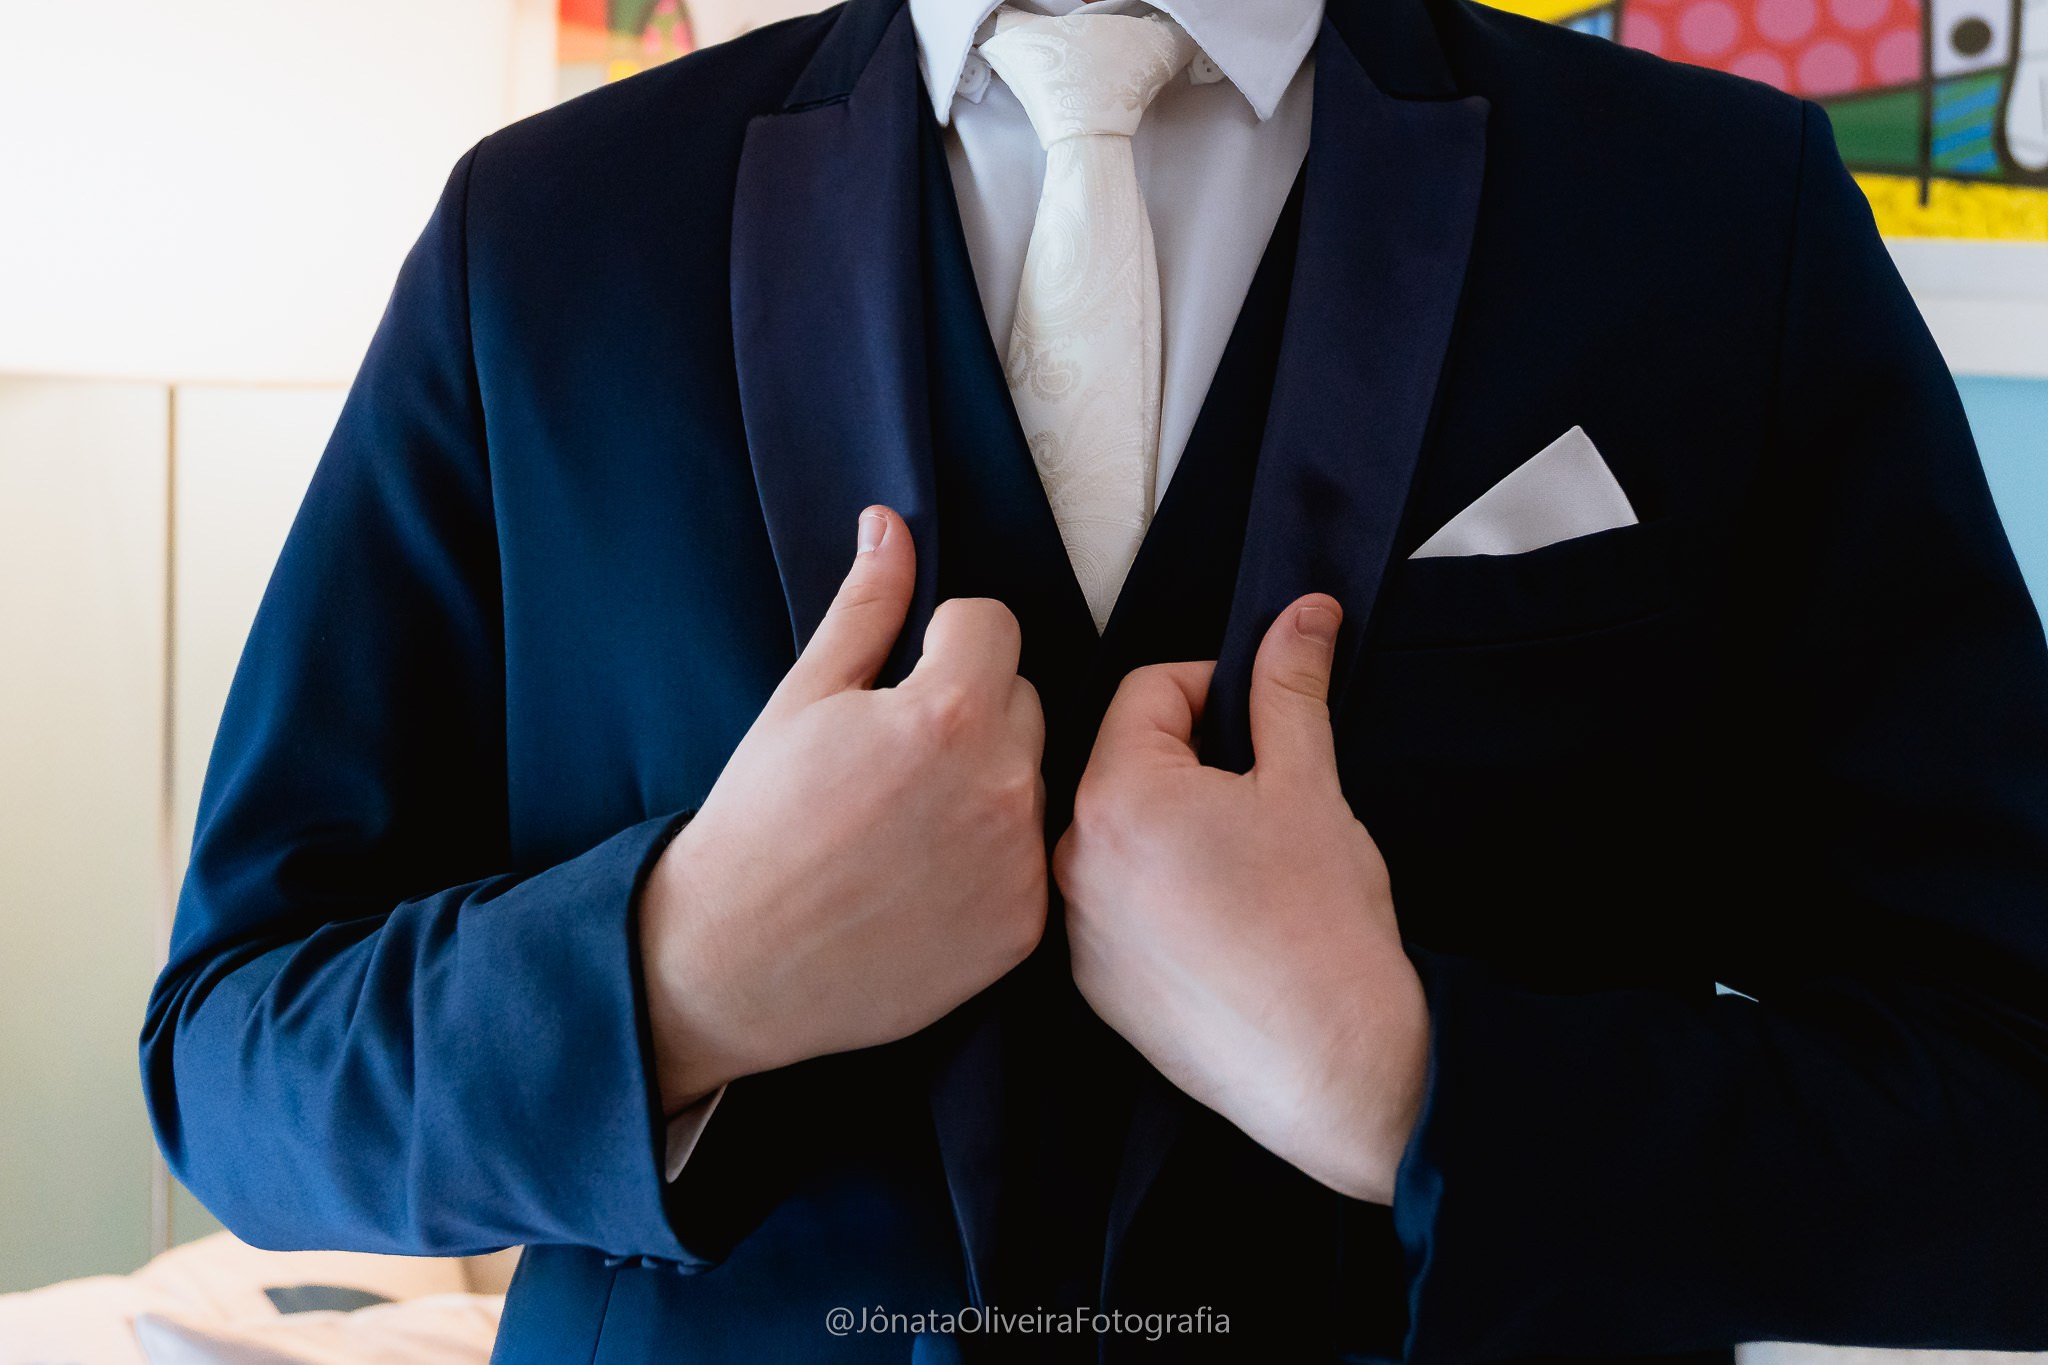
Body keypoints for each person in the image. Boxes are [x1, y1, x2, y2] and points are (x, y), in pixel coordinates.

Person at [140, 0, 2048, 1360]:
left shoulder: (1725, 219)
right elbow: (231, 1058)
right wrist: (676, 975)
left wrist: (1410, 1079)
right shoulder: (541, 237)